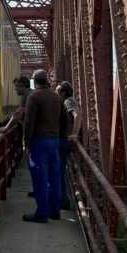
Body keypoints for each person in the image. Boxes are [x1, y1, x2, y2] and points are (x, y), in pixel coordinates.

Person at [22, 68, 62, 223]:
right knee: (54, 178)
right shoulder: (56, 97)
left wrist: (26, 142)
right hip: (55, 141)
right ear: (46, 81)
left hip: (39, 143)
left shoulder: (34, 97)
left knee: (40, 179)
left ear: (35, 81)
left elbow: (29, 122)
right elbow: (64, 120)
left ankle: (42, 213)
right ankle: (55, 211)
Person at [56, 81, 77, 210]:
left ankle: (63, 200)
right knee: (60, 170)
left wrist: (74, 133)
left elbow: (77, 114)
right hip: (63, 140)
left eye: (58, 92)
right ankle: (62, 199)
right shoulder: (67, 101)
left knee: (60, 171)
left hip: (64, 141)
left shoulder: (68, 101)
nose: (56, 94)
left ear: (63, 92)